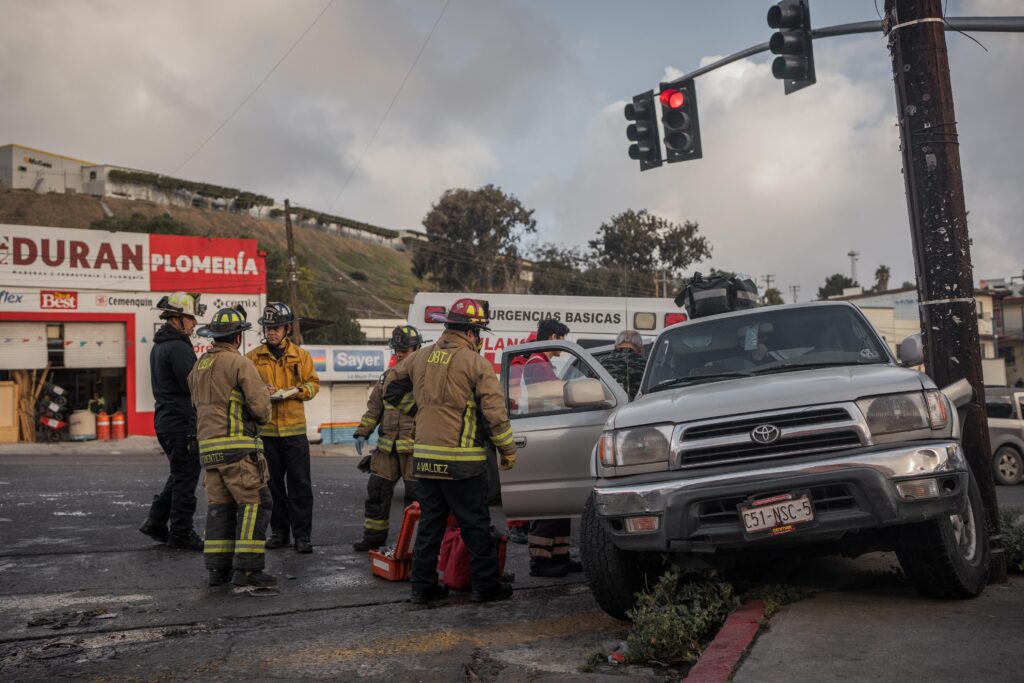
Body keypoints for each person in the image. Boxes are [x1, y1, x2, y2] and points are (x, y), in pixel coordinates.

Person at [383, 298, 517, 604]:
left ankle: (423, 588)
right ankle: (485, 586)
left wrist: (418, 410)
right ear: (472, 333)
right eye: (480, 334)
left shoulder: (421, 356)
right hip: (462, 462)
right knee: (475, 524)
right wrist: (507, 449)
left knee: (431, 524)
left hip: (425, 459)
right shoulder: (476, 363)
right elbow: (495, 413)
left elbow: (389, 387)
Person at [189, 306, 275, 588]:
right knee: (256, 504)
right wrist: (266, 397)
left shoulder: (199, 365)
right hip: (238, 450)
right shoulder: (240, 364)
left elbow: (198, 405)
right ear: (238, 337)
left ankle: (217, 570)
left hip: (209, 450)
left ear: (214, 336)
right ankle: (248, 569)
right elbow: (260, 408)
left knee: (219, 508)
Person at [246, 303, 320, 554]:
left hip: (295, 433)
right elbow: (244, 389)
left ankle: (303, 536)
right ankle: (279, 532)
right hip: (267, 433)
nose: (271, 332)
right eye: (268, 328)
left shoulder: (301, 356)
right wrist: (259, 392)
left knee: (300, 485)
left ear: (287, 328)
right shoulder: (253, 357)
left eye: (276, 328)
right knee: (272, 486)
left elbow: (313, 385)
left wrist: (297, 391)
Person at [139, 292, 206, 551]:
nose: (194, 324)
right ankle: (181, 533)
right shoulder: (178, 347)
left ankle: (155, 521)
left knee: (179, 475)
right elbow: (195, 386)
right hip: (182, 424)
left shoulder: (161, 345)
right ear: (177, 319)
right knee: (185, 480)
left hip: (167, 422)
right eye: (190, 318)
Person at [520, 318, 583, 578]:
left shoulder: (542, 364)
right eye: (562, 338)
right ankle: (541, 561)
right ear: (553, 337)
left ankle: (559, 556)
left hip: (551, 434)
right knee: (547, 506)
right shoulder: (536, 364)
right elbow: (556, 394)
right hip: (544, 437)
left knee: (559, 505)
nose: (564, 343)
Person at [351, 325, 424, 551]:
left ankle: (410, 545)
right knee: (377, 492)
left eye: (406, 349)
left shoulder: (424, 379)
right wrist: (363, 431)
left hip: (413, 450)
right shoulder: (386, 378)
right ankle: (373, 538)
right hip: (387, 449)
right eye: (398, 349)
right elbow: (374, 408)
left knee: (414, 500)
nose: (400, 353)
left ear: (417, 349)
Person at [599, 329, 647, 399]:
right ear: (641, 348)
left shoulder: (600, 363)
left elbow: (591, 387)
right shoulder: (648, 365)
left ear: (615, 346)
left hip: (607, 407)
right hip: (639, 407)